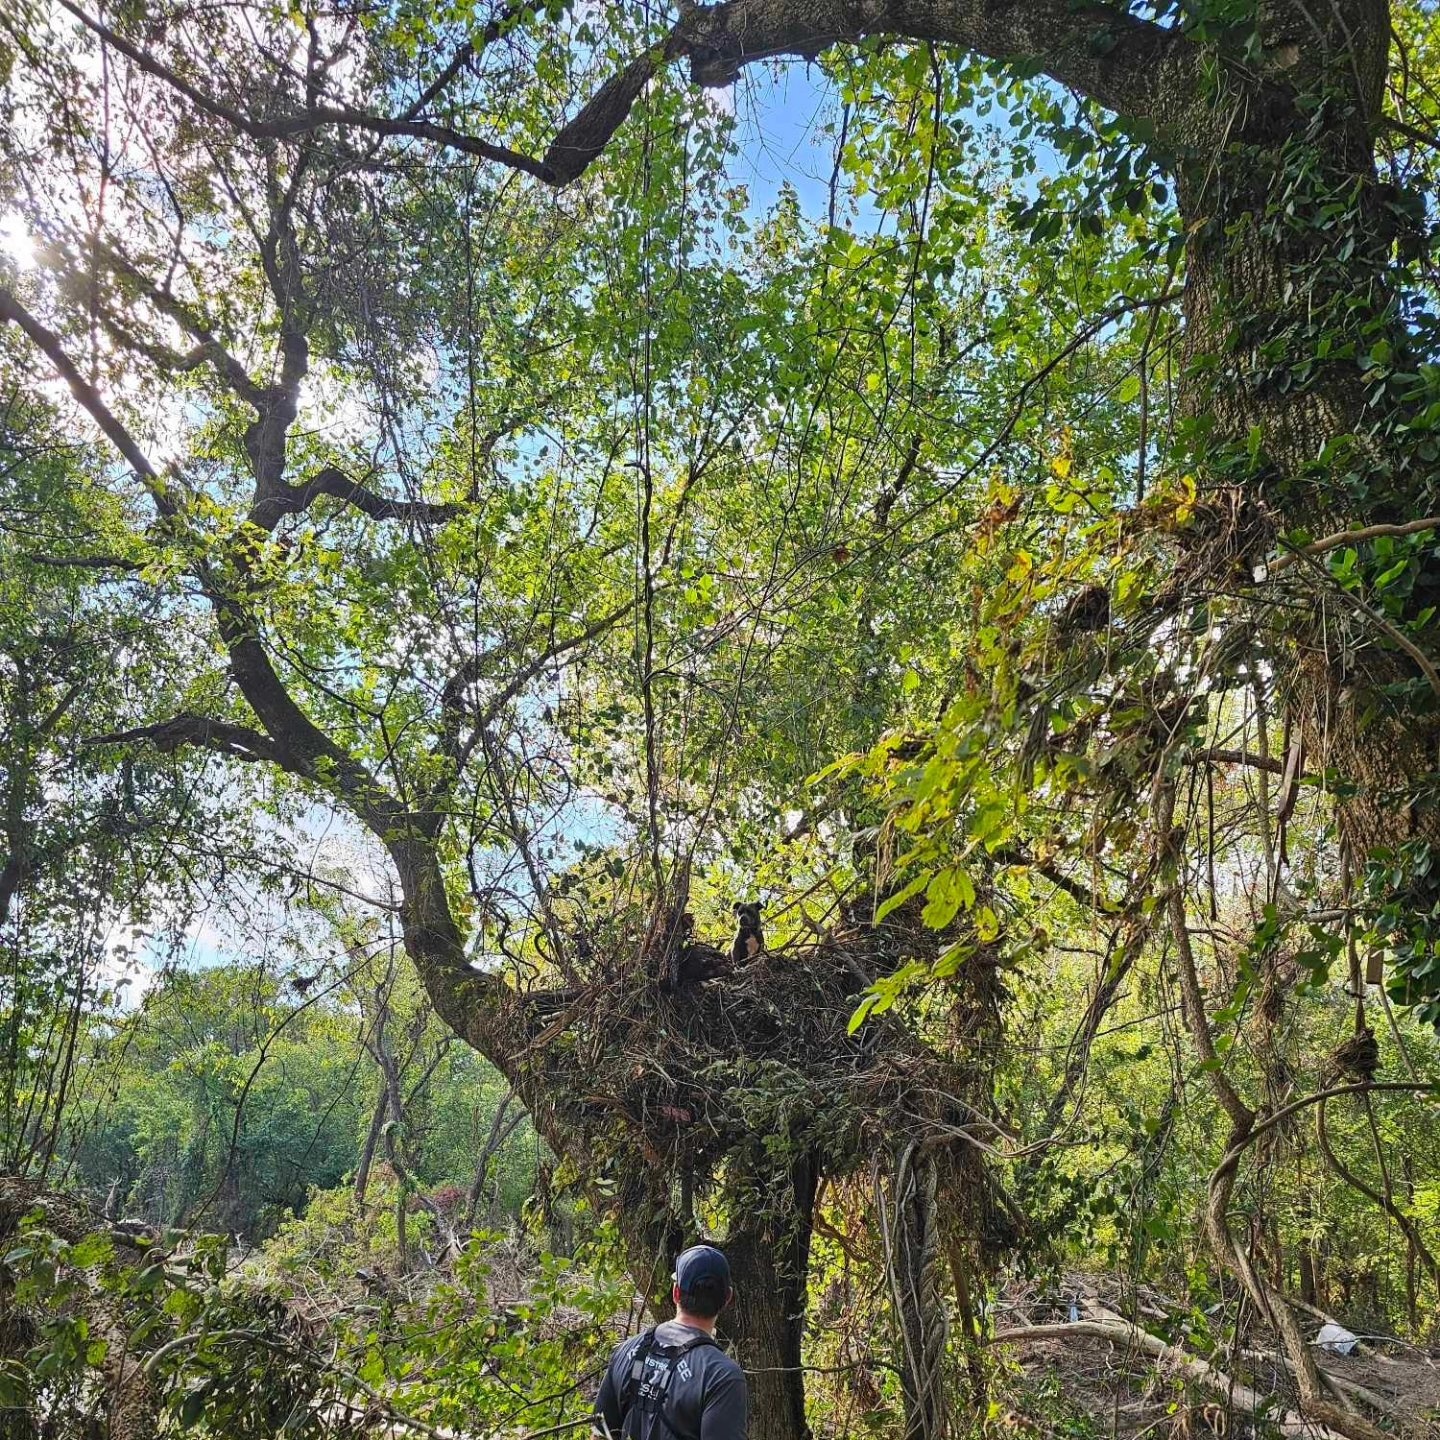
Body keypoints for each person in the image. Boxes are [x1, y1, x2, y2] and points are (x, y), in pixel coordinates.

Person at [593, 1244, 748, 1440]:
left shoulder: (628, 1351)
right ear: (727, 1298)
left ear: (676, 1292)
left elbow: (599, 1435)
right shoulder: (720, 1376)